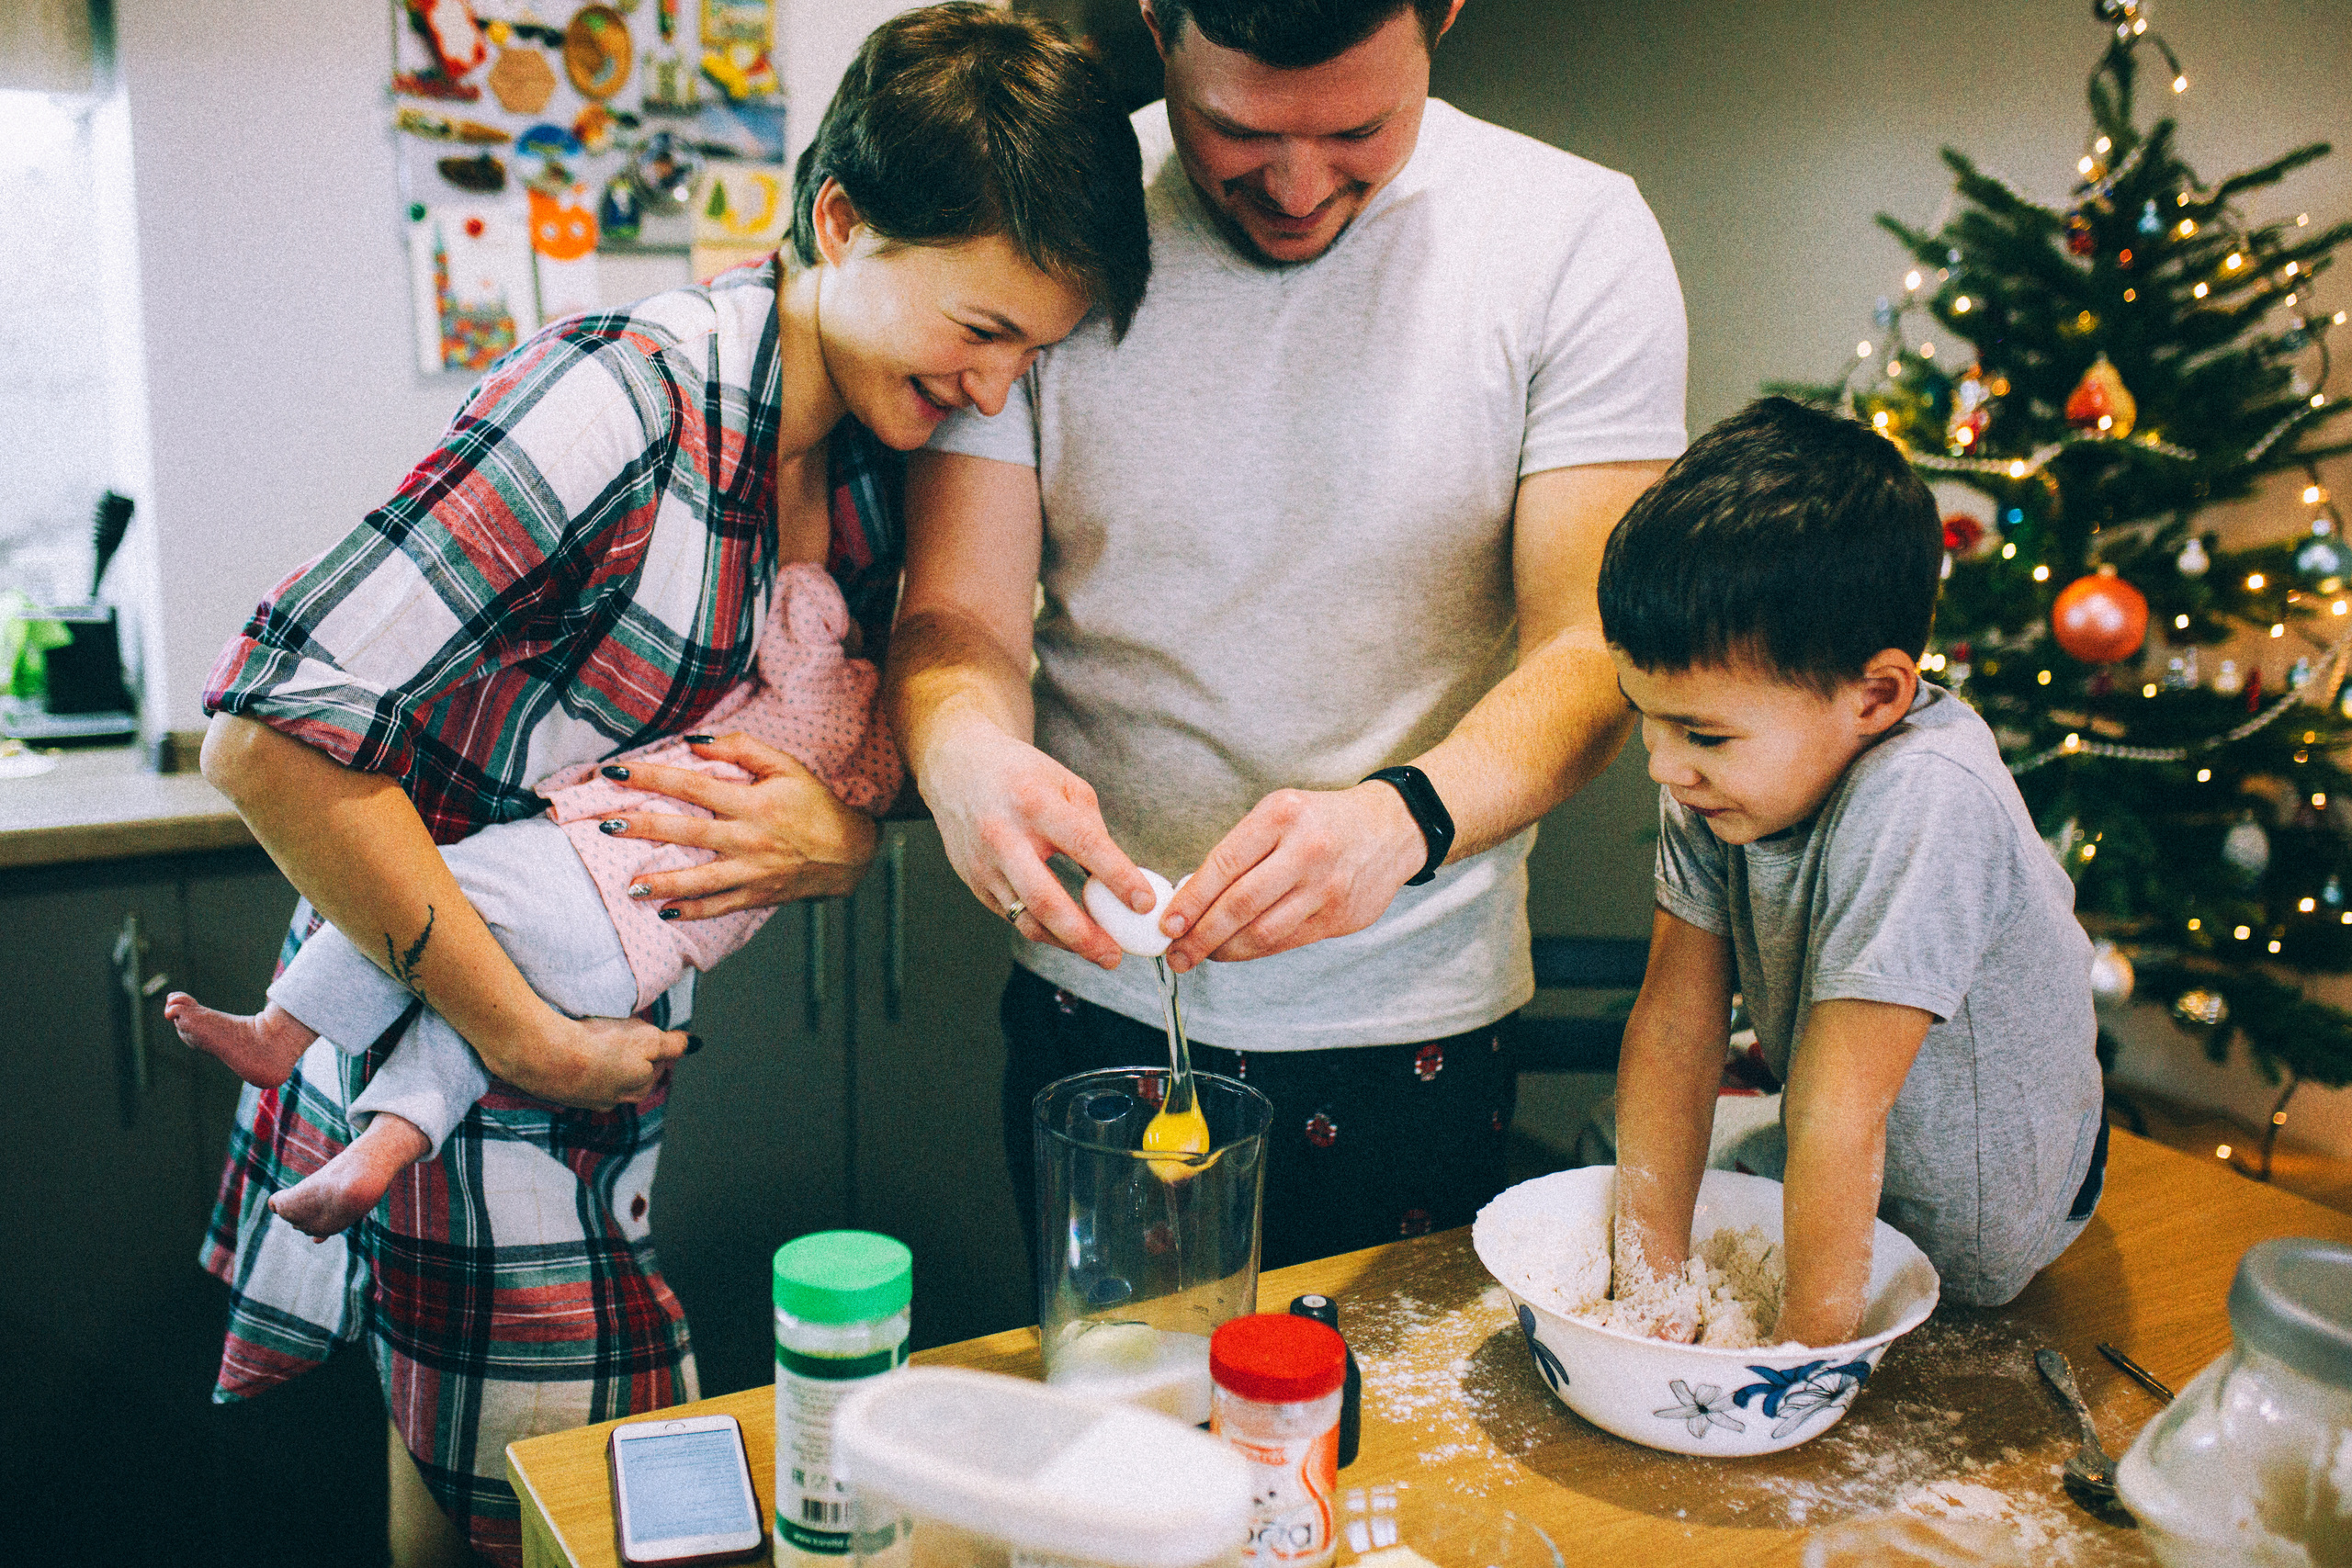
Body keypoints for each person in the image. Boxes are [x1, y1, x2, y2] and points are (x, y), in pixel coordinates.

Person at [191, 7, 1148, 1559]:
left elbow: (842, 730)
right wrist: (528, 1037)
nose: (994, 389)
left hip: (580, 1052)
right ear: (838, 219)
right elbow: (268, 727)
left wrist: (844, 834)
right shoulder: (624, 403)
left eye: (1032, 351)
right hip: (453, 1034)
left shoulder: (859, 466)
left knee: (475, 1492)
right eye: (980, 329)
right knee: (596, 1502)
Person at [887, 0, 1688, 1269]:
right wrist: (959, 753)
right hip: (1100, 1002)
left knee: (1380, 1452)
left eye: (1361, 129)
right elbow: (956, 616)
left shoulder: (1573, 240)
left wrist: (1404, 816)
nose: (1299, 185)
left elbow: (1593, 646)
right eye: (1235, 130)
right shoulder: (1050, 223)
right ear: (1159, 23)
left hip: (1414, 1016)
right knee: (1120, 1420)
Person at [166, 563, 898, 1237]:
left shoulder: (838, 685)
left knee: (413, 891)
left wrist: (847, 622)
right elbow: (880, 798)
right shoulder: (870, 766)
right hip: (630, 968)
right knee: (466, 1029)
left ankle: (279, 1031)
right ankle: (377, 1153)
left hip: (596, 869)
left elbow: (800, 596)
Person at [1600, 397, 2106, 1348]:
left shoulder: (1924, 798)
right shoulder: (1718, 777)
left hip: (1987, 1219)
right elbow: (1674, 1023)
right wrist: (1649, 1285)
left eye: (1701, 732)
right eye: (1647, 716)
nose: (1664, 765)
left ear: (1875, 696)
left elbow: (1841, 1109)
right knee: (1608, 1155)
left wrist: (1800, 1365)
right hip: (1840, 1156)